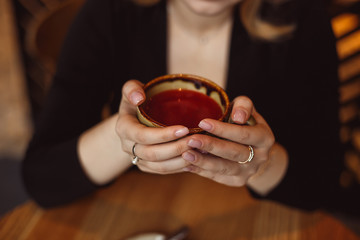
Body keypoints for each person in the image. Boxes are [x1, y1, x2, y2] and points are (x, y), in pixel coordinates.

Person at [22, 0, 357, 216]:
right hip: (137, 214)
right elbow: (43, 178)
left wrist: (260, 163)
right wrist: (122, 136)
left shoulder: (302, 19)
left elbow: (320, 187)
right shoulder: (110, 12)